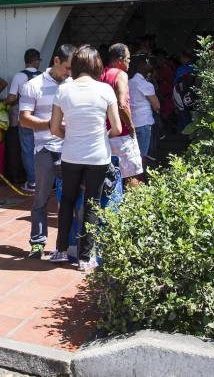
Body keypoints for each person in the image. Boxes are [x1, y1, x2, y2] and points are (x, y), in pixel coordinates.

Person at [49, 46, 123, 271]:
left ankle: (61, 250)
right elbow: (118, 128)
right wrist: (102, 136)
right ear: (96, 65)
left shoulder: (63, 90)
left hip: (71, 154)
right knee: (92, 204)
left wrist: (69, 136)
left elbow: (54, 128)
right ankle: (85, 258)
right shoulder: (105, 90)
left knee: (67, 202)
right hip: (98, 156)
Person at [19, 44, 75, 259]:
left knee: (69, 200)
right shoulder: (33, 85)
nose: (69, 73)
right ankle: (37, 243)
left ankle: (67, 245)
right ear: (56, 61)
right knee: (41, 199)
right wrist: (51, 124)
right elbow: (24, 119)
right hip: (44, 149)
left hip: (70, 149)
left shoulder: (73, 85)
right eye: (67, 68)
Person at [100, 44, 142, 184]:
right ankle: (136, 206)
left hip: (105, 134)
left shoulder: (100, 74)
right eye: (128, 59)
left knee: (110, 177)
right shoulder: (121, 75)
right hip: (122, 134)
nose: (129, 62)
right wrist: (131, 126)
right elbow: (122, 105)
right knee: (131, 175)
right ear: (120, 60)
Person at [6, 49, 42, 192]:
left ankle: (33, 182)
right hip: (42, 118)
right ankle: (45, 181)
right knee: (41, 149)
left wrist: (4, 104)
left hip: (26, 117)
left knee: (27, 149)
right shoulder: (43, 76)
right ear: (35, 60)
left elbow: (11, 98)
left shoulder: (19, 76)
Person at [129, 56, 161, 161]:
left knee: (133, 154)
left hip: (132, 122)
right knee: (142, 155)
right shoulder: (146, 85)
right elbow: (156, 105)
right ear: (148, 73)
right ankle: (140, 176)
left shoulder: (129, 82)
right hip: (144, 122)